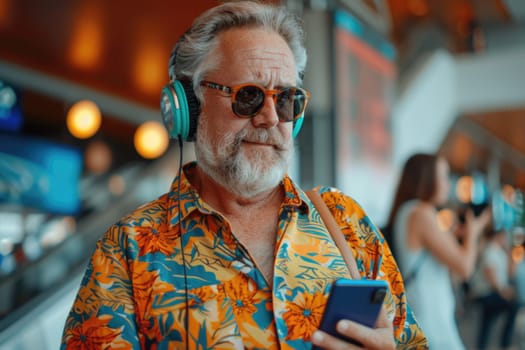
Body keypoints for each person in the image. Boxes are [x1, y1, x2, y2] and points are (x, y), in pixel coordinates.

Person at [60, 2, 427, 349]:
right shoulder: (129, 249)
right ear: (190, 106)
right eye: (248, 97)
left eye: (285, 99)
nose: (270, 117)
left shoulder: (347, 223)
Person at [384, 153, 491, 349]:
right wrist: (474, 232)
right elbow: (464, 268)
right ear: (426, 179)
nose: (448, 184)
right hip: (432, 324)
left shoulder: (408, 212)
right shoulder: (421, 213)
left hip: (424, 320)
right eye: (443, 176)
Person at [470, 228, 520, 349]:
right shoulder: (490, 250)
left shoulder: (501, 252)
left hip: (494, 292)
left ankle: (482, 346)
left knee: (487, 320)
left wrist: (511, 255)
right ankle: (505, 343)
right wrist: (503, 292)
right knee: (513, 305)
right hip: (486, 293)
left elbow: (510, 273)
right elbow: (490, 276)